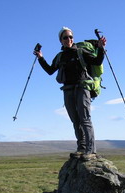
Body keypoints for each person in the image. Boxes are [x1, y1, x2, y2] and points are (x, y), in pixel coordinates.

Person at [34, 27, 107, 161]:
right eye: (65, 37)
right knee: (75, 120)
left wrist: (101, 48)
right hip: (67, 89)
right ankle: (81, 148)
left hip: (82, 87)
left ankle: (91, 150)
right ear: (60, 41)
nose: (69, 39)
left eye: (71, 37)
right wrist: (41, 58)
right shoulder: (60, 56)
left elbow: (97, 61)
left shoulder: (81, 51)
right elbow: (50, 70)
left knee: (85, 119)